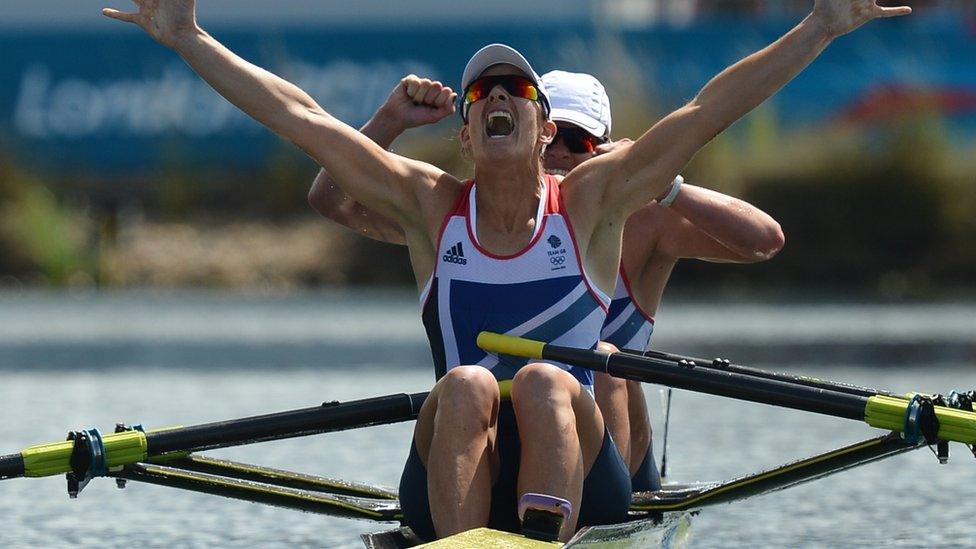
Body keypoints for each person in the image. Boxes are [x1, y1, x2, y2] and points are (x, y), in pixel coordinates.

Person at [102, 0, 911, 541]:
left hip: (590, 476)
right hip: (456, 463)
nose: (496, 94)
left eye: (515, 88)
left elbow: (707, 111)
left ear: (538, 127)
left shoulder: (592, 202)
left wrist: (820, 26)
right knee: (468, 386)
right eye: (480, 89)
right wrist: (187, 37)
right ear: (464, 133)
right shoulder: (428, 205)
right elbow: (303, 121)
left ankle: (537, 537)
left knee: (545, 381)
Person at [307, 70, 785, 494]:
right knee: (472, 386)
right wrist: (388, 123)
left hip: (606, 456)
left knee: (603, 358)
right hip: (496, 436)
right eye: (552, 139)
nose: (558, 154)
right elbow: (334, 201)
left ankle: (593, 512)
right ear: (535, 133)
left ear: (604, 151)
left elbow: (763, 241)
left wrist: (666, 185)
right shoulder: (471, 222)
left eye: (576, 142)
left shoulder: (647, 224)